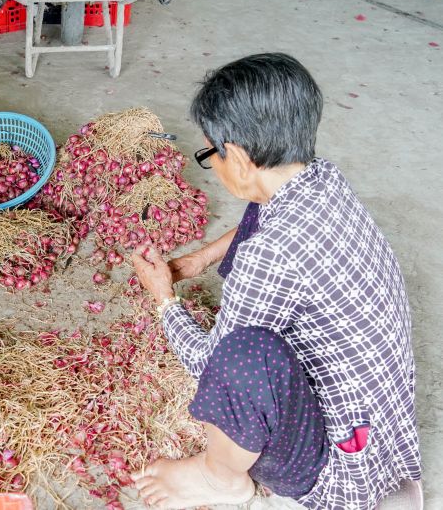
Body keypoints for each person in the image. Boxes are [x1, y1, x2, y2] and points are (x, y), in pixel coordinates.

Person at [129, 53, 421, 509]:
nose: (212, 164)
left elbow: (212, 366)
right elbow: (264, 210)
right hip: (380, 429)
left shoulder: (270, 255)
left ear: (239, 159)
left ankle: (218, 478)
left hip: (338, 471)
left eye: (210, 154)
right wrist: (200, 260)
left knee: (242, 358)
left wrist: (165, 300)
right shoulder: (323, 179)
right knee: (260, 206)